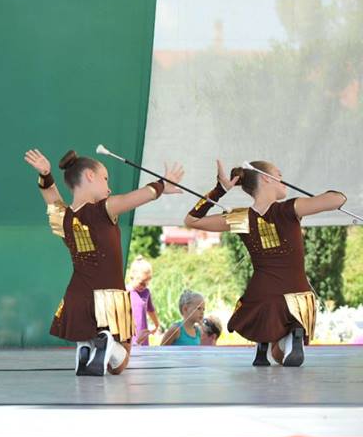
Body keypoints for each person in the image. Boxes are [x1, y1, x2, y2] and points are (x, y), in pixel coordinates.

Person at [25, 148, 184, 376]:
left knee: (93, 335)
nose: (108, 188)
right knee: (120, 363)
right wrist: (162, 184)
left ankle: (86, 346)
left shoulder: (64, 218)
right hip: (110, 296)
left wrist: (45, 174)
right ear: (90, 176)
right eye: (105, 178)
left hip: (77, 296)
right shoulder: (104, 209)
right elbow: (138, 197)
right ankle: (104, 343)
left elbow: (50, 196)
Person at [184, 160, 346, 366]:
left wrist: (219, 190)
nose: (283, 180)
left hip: (261, 297)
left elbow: (191, 220)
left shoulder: (241, 217)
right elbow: (338, 199)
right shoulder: (291, 208)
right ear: (265, 178)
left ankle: (266, 343)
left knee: (276, 351)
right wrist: (332, 194)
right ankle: (290, 335)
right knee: (282, 349)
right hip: (297, 294)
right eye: (279, 175)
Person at [127, 255, 162, 346]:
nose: (144, 286)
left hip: (142, 335)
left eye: (147, 283)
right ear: (132, 276)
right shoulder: (125, 292)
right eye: (142, 283)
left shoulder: (146, 292)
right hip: (130, 336)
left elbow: (151, 310)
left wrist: (156, 324)